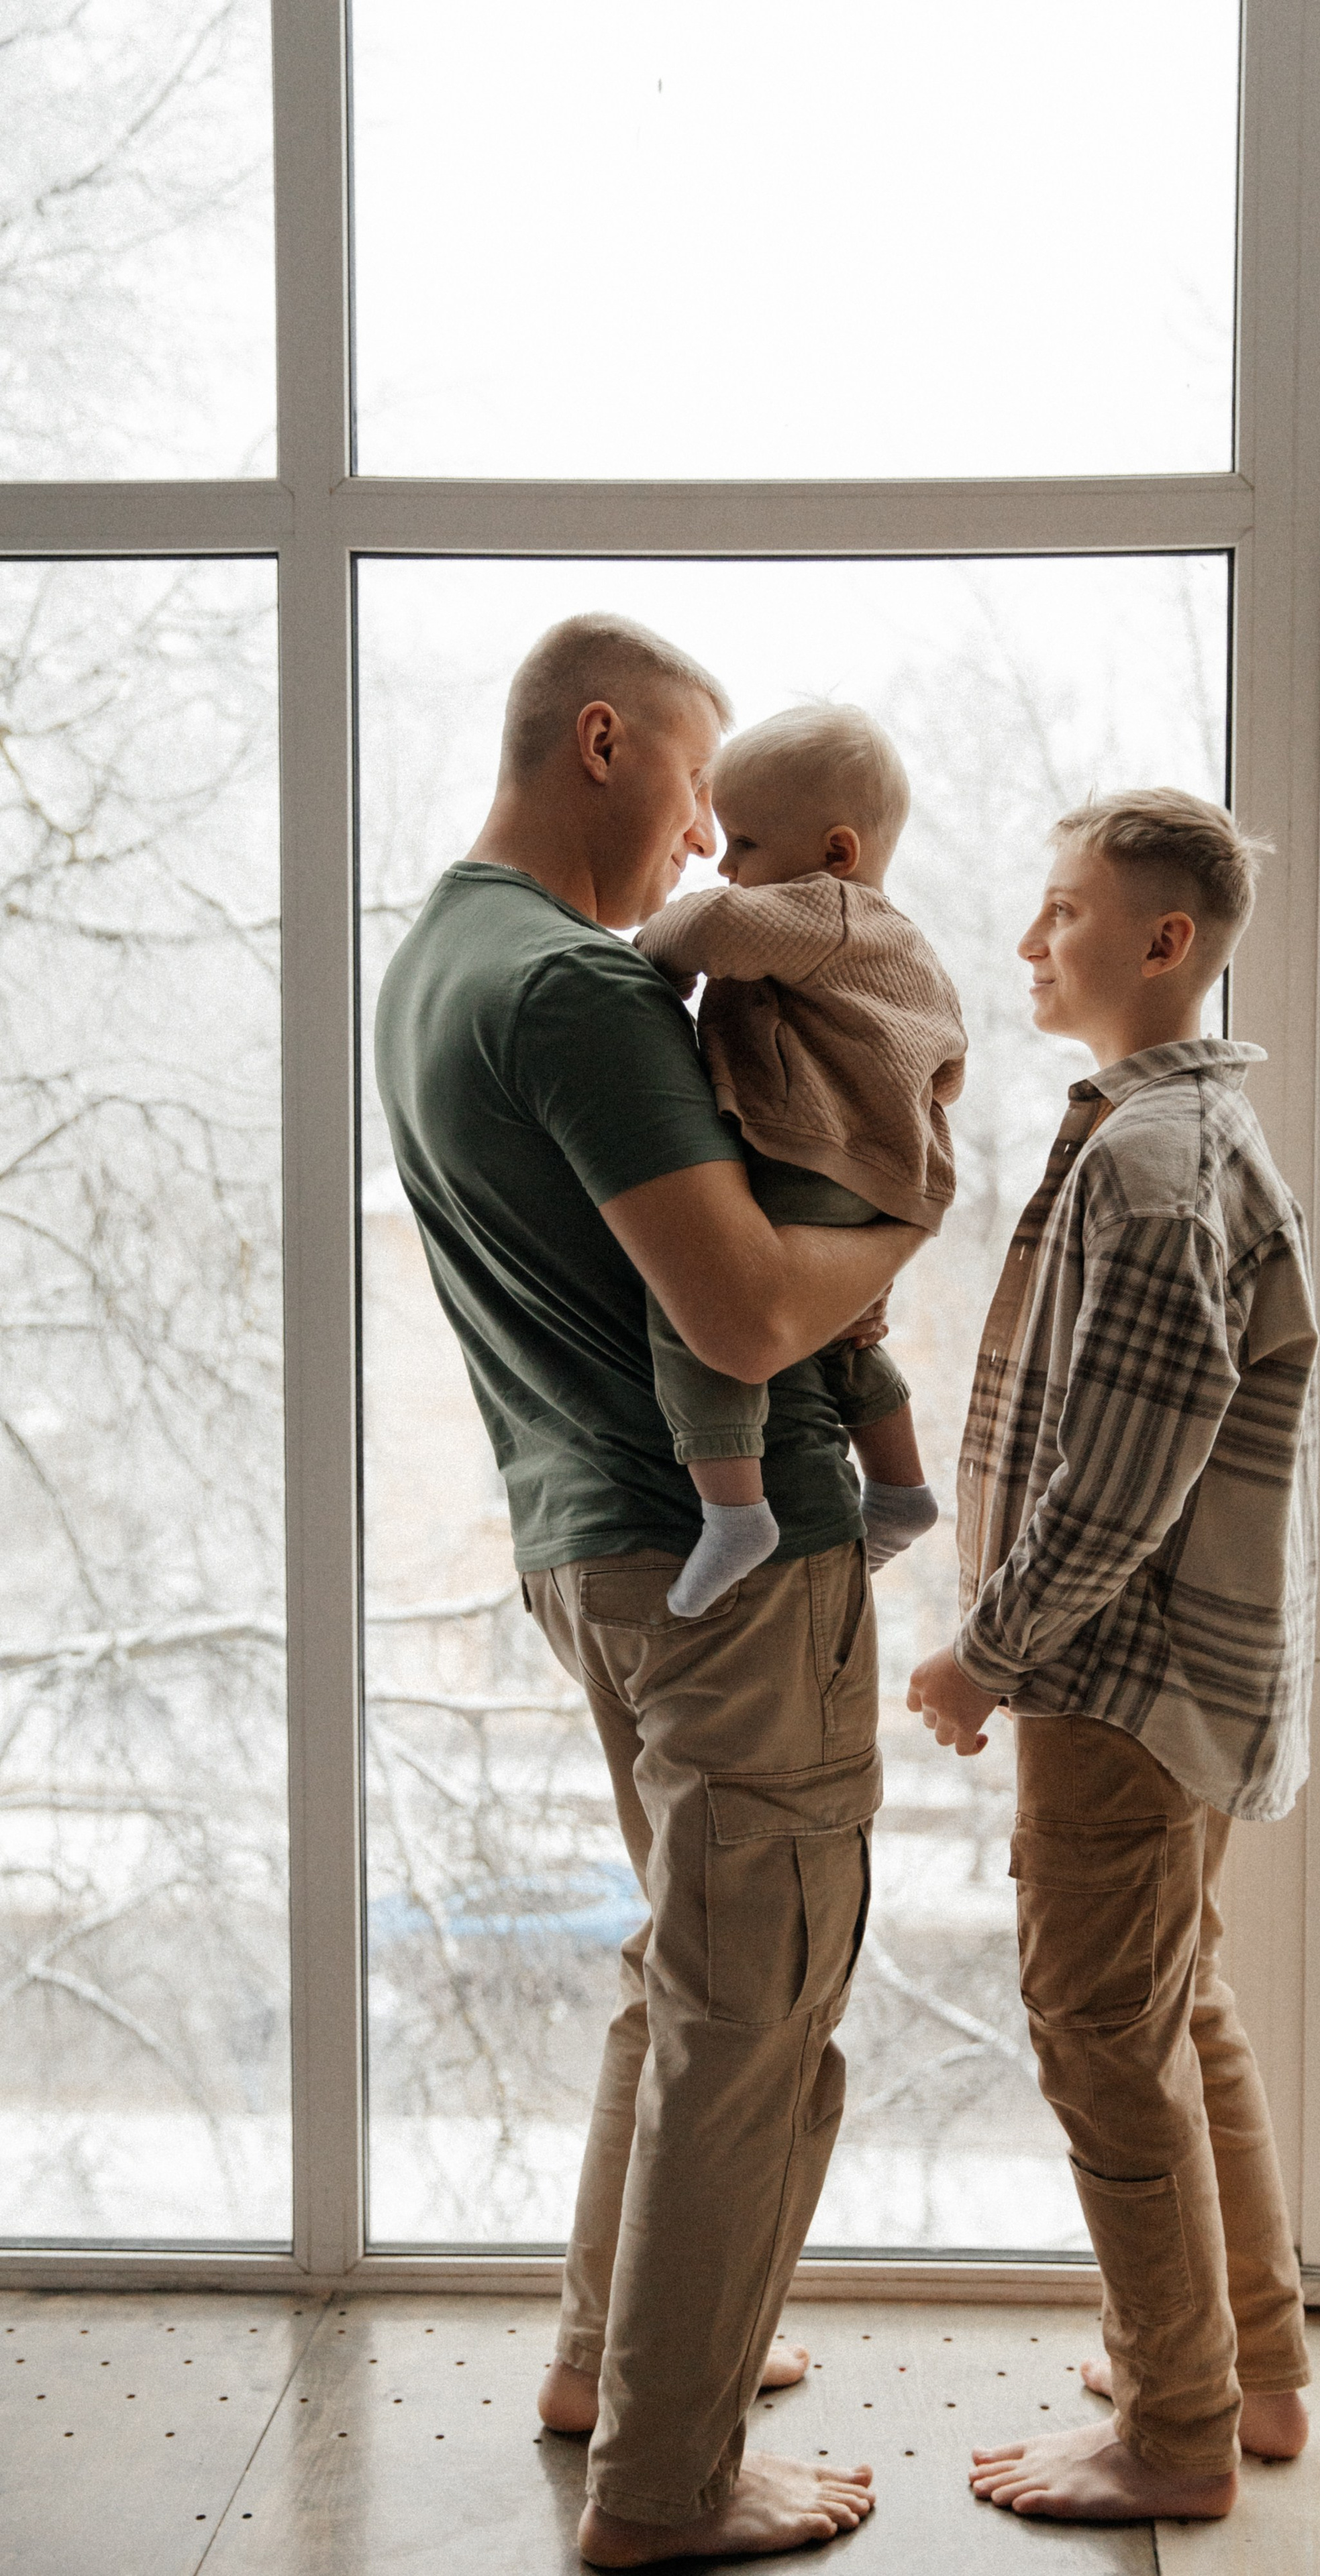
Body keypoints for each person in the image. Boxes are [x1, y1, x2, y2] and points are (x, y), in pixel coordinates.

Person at [374, 612, 923, 2567]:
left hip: (590, 1554)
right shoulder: (580, 992)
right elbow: (751, 1307)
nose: (710, 845)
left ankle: (610, 2366)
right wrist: (915, 1210)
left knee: (688, 1979)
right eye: (700, 793)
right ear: (603, 743)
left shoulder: (434, 960)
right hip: (733, 1571)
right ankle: (670, 2489)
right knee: (757, 2017)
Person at [907, 788, 1318, 2526]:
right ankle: (1254, 2369)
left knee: (1098, 2035)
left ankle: (1176, 2429)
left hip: (1118, 1686)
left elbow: (1124, 1478)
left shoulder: (1154, 1163)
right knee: (1178, 2006)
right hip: (1174, 1683)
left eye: (1064, 908)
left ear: (1165, 942)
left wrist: (980, 1656)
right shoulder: (1178, 1134)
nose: (1028, 939)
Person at [633, 702, 966, 1617]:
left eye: (742, 843)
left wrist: (646, 960)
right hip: (881, 1169)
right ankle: (900, 1489)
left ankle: (734, 1511)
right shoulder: (902, 944)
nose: (722, 865)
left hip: (817, 1155)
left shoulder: (826, 912)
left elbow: (707, 934)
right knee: (840, 1338)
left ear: (837, 853)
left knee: (700, 1313)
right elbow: (952, 1062)